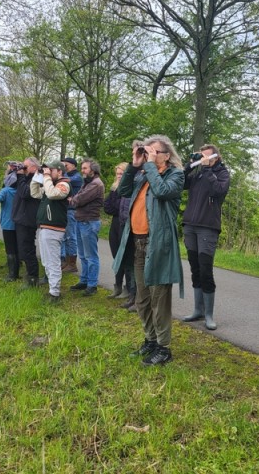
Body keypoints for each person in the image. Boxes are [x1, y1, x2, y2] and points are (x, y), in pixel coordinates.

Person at [112, 135, 185, 366]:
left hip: (158, 245)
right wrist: (134, 167)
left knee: (158, 300)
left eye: (154, 152)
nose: (148, 156)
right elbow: (123, 191)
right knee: (142, 299)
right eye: (147, 152)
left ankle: (164, 348)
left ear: (166, 155)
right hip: (138, 243)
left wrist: (150, 166)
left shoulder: (175, 175)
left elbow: (163, 191)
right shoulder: (143, 174)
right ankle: (150, 340)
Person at [181, 144, 230, 330]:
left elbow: (218, 191)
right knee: (195, 269)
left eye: (206, 156)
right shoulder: (198, 173)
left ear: (215, 157)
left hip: (207, 228)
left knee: (205, 270)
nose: (202, 159)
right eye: (201, 156)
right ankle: (197, 310)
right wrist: (189, 166)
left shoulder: (222, 173)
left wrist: (209, 168)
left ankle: (209, 314)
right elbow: (182, 184)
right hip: (190, 226)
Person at [30, 160, 71, 303]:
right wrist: (36, 177)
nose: (48, 172)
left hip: (54, 229)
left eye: (51, 170)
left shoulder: (64, 184)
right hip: (45, 228)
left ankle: (55, 294)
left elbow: (53, 194)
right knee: (46, 261)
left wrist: (46, 178)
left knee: (53, 262)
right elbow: (35, 193)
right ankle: (52, 290)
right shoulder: (50, 185)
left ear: (59, 171)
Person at [69, 159, 104, 296]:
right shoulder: (87, 183)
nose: (82, 170)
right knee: (83, 255)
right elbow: (76, 198)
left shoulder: (96, 184)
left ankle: (92, 285)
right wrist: (74, 199)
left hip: (89, 222)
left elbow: (77, 200)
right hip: (81, 221)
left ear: (93, 170)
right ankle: (84, 280)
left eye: (85, 168)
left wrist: (74, 200)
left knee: (91, 256)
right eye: (82, 168)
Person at [104, 162, 134, 298]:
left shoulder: (130, 188)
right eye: (118, 174)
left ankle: (128, 287)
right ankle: (117, 286)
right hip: (115, 224)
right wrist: (116, 206)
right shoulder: (114, 188)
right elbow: (108, 206)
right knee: (116, 255)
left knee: (126, 256)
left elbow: (124, 207)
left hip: (126, 223)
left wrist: (116, 206)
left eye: (122, 173)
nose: (119, 176)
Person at [11, 157, 41, 287]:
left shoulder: (38, 179)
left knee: (27, 249)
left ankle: (33, 278)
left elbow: (25, 193)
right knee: (23, 249)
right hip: (21, 218)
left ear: (34, 167)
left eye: (26, 166)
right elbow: (9, 184)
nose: (24, 169)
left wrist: (21, 175)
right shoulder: (27, 178)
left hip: (28, 220)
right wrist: (14, 172)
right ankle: (30, 276)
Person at [61, 157, 83, 273]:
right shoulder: (67, 175)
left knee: (71, 236)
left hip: (72, 210)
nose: (65, 167)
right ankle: (65, 261)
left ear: (74, 165)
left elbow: (65, 180)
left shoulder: (77, 177)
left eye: (66, 165)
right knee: (64, 236)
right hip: (65, 209)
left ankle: (72, 263)